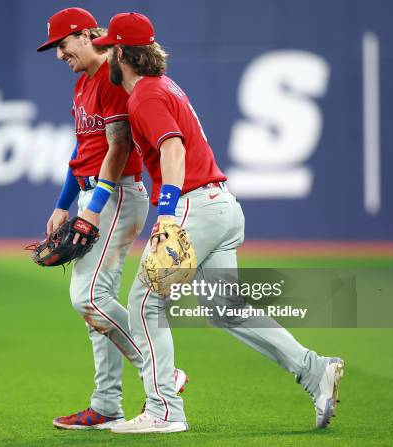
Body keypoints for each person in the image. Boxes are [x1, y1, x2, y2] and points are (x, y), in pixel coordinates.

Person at [91, 12, 344, 434]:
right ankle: (314, 369)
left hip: (194, 206)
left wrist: (168, 212)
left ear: (120, 52)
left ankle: (163, 410)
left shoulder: (145, 96)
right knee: (226, 309)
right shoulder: (163, 86)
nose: (106, 58)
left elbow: (173, 149)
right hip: (221, 205)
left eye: (107, 49)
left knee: (144, 302)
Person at [36, 7, 187, 430]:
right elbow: (82, 149)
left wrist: (94, 207)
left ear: (85, 36)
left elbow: (119, 148)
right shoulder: (83, 83)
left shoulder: (110, 77)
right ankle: (106, 403)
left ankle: (162, 374)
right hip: (91, 193)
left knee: (87, 298)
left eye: (62, 45)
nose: (58, 54)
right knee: (94, 306)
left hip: (117, 194)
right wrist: (63, 204)